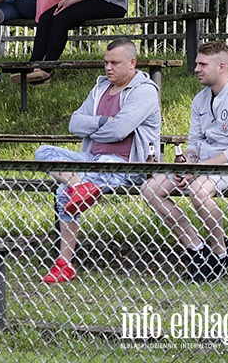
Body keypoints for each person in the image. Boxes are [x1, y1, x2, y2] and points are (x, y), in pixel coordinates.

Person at [34, 38, 161, 284]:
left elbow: (120, 130)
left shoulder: (144, 91)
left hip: (124, 164)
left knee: (63, 192)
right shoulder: (100, 88)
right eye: (106, 62)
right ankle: (79, 184)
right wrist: (104, 122)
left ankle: (64, 264)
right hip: (90, 158)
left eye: (115, 62)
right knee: (43, 152)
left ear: (132, 63)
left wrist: (96, 126)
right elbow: (74, 123)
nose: (108, 67)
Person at [142, 41, 228, 282]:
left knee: (198, 190)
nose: (196, 68)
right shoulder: (200, 99)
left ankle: (220, 252)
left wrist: (197, 170)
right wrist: (186, 162)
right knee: (150, 189)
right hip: (205, 166)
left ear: (221, 67)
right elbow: (195, 143)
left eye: (202, 64)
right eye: (197, 63)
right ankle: (197, 249)